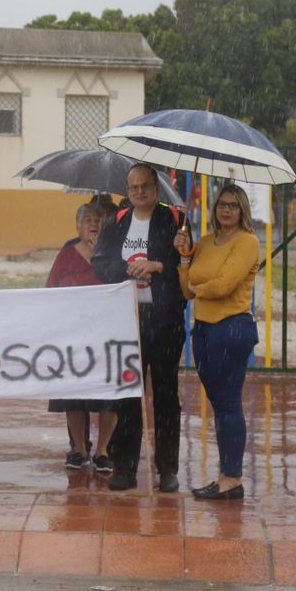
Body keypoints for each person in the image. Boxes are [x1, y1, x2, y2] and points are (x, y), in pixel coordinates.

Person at [93, 164, 187, 492]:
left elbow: (187, 267)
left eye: (145, 186)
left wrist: (160, 265)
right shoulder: (116, 222)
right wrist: (128, 269)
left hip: (164, 321)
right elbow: (100, 262)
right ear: (128, 191)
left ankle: (167, 468)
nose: (140, 192)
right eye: (133, 187)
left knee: (165, 396)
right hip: (126, 320)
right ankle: (125, 467)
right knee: (128, 397)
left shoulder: (174, 219)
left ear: (156, 189)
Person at [176, 184, 260, 501]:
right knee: (219, 404)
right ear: (214, 209)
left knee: (228, 404)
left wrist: (199, 288)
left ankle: (232, 478)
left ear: (242, 211)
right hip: (204, 330)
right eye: (222, 205)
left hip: (232, 328)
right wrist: (185, 257)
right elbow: (186, 288)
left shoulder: (247, 242)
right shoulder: (207, 242)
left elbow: (225, 285)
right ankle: (226, 476)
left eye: (233, 206)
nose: (226, 210)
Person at [45, 197, 117, 475]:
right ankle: (80, 449)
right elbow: (51, 289)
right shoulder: (67, 254)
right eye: (89, 221)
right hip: (72, 336)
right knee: (72, 395)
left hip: (106, 336)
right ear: (78, 226)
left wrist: (102, 256)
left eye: (99, 221)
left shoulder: (113, 253)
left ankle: (102, 451)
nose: (94, 225)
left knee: (109, 396)